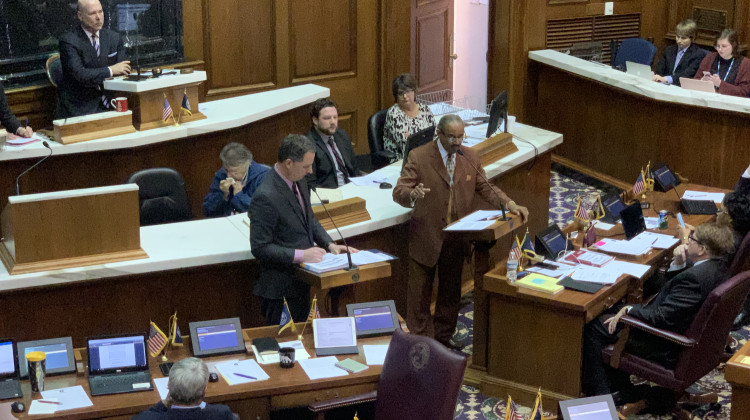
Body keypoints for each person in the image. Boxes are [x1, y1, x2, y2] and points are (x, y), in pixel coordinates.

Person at [392, 114, 529, 349]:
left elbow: (485, 186)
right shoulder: (420, 155)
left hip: (456, 236)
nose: (457, 142)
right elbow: (400, 190)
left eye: (460, 136)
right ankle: (422, 343)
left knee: (450, 292)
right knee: (419, 295)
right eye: (452, 137)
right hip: (427, 236)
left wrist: (509, 204)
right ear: (439, 134)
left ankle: (443, 338)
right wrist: (412, 195)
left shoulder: (470, 156)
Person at [581, 222, 734, 411]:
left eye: (692, 239)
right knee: (618, 309)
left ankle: (601, 396)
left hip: (666, 344)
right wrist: (679, 263)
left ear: (702, 249)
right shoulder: (720, 268)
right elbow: (678, 296)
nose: (688, 242)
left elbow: (661, 318)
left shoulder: (695, 279)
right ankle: (622, 387)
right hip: (700, 343)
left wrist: (630, 310)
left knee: (595, 325)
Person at [249, 134, 355, 324]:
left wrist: (330, 244)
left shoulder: (299, 181)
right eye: (306, 166)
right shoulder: (265, 196)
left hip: (302, 283)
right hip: (280, 291)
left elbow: (310, 219)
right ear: (289, 163)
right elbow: (260, 247)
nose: (310, 171)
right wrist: (301, 255)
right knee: (287, 348)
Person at [58, 0, 131, 118]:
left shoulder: (114, 38)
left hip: (113, 104)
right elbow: (80, 75)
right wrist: (110, 70)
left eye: (100, 12)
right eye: (92, 13)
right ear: (80, 16)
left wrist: (113, 72)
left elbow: (124, 70)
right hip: (81, 109)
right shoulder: (69, 41)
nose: (98, 17)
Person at [132, 357, 234, 420]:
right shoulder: (222, 413)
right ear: (204, 390)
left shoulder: (147, 418)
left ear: (169, 387)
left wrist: (162, 404)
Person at [305, 98, 361, 188]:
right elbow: (310, 184)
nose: (333, 122)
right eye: (327, 118)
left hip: (352, 187)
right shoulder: (308, 145)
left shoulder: (342, 135)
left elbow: (354, 168)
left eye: (335, 117)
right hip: (332, 194)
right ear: (315, 120)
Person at [202, 143, 269, 217]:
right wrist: (222, 195)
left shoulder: (263, 177)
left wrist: (239, 195)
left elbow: (263, 212)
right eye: (227, 170)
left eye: (234, 171)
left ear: (248, 164)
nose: (228, 175)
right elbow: (207, 210)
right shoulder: (221, 174)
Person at [383, 73, 436, 162]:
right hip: (402, 161)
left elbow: (435, 136)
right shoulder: (394, 114)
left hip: (426, 157)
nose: (405, 96)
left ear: (414, 91)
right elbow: (406, 145)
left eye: (407, 91)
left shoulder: (425, 109)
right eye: (400, 93)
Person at [694, 29, 750, 97]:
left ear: (734, 45)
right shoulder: (710, 57)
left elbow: (743, 92)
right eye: (717, 46)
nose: (720, 49)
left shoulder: (745, 63)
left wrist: (720, 84)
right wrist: (701, 81)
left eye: (724, 46)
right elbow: (695, 80)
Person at [652, 19, 706, 86]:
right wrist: (657, 76)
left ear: (692, 38)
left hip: (682, 87)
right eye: (677, 36)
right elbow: (659, 69)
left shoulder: (698, 54)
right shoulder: (669, 50)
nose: (679, 41)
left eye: (683, 38)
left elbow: (687, 75)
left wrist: (667, 79)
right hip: (664, 85)